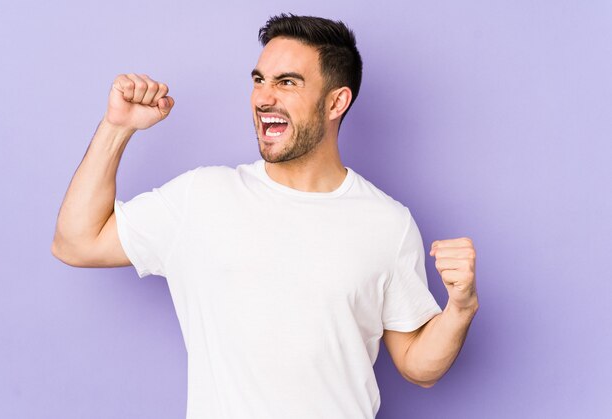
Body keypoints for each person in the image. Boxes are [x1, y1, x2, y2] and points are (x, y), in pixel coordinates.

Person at [51, 13, 479, 419]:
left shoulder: (387, 222)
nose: (263, 97)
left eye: (287, 82)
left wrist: (459, 308)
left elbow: (418, 366)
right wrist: (116, 127)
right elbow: (76, 242)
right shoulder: (202, 197)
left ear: (336, 102)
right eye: (259, 80)